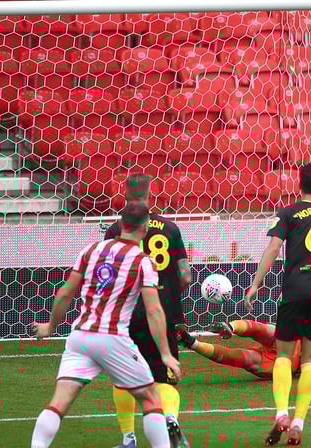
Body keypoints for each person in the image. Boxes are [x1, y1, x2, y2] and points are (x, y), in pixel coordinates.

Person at [30, 203, 181, 448]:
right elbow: (154, 310)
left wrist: (50, 326)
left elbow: (65, 293)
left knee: (59, 403)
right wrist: (165, 353)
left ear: (121, 225)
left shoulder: (90, 251)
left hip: (79, 337)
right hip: (112, 338)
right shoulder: (143, 262)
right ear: (144, 229)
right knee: (151, 398)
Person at [244, 161, 311, 446]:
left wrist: (255, 284)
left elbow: (274, 248)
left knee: (283, 355)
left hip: (295, 288)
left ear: (298, 183)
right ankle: (299, 422)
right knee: (310, 361)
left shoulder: (288, 213)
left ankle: (281, 414)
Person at [105, 174, 192, 448]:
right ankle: (170, 418)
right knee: (163, 376)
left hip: (127, 314)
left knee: (123, 378)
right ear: (149, 195)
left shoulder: (115, 230)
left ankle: (129, 438)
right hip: (162, 311)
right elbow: (186, 275)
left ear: (125, 196)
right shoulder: (170, 228)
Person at [176, 286, 311, 377]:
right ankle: (229, 327)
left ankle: (192, 342)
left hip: (277, 364)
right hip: (289, 343)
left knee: (245, 358)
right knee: (267, 333)